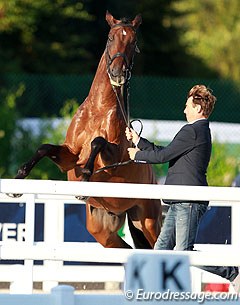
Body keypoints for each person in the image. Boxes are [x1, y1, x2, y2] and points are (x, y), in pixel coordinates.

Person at [125, 84, 240, 292]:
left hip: (187, 202)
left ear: (197, 108)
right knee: (161, 250)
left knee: (183, 253)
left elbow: (162, 156)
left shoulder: (193, 130)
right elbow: (167, 152)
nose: (184, 110)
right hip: (180, 201)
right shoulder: (198, 131)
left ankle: (233, 274)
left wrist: (137, 155)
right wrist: (138, 141)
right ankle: (154, 293)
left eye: (187, 105)